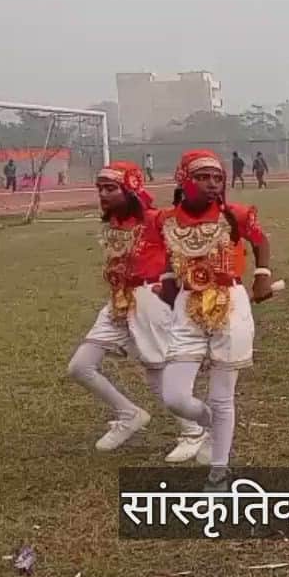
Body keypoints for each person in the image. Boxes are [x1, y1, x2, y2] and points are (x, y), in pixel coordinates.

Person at [67, 161, 205, 463]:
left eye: (110, 188)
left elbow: (186, 241)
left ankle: (193, 432)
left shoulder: (156, 220)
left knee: (156, 371)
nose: (103, 194)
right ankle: (129, 414)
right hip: (119, 299)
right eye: (100, 189)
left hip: (149, 298)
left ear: (130, 190)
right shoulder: (115, 224)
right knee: (80, 366)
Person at [155, 149, 272, 490]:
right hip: (187, 305)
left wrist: (262, 275)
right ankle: (213, 425)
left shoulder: (235, 215)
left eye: (217, 178)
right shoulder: (166, 219)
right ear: (183, 180)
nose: (211, 184)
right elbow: (166, 256)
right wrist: (167, 282)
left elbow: (260, 241)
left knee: (222, 397)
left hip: (230, 303)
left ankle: (219, 474)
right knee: (174, 396)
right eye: (202, 177)